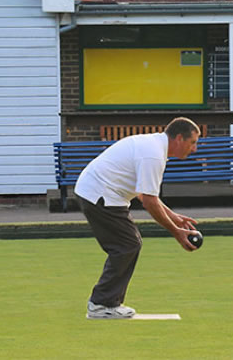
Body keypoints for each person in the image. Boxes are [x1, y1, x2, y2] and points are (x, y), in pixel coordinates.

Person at [75, 117, 201, 319]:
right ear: (179, 138)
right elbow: (149, 202)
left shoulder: (154, 147)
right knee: (126, 245)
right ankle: (101, 304)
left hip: (99, 192)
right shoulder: (153, 155)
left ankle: (106, 303)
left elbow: (145, 194)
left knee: (128, 244)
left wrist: (173, 217)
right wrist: (177, 233)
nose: (195, 148)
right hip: (100, 194)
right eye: (193, 142)